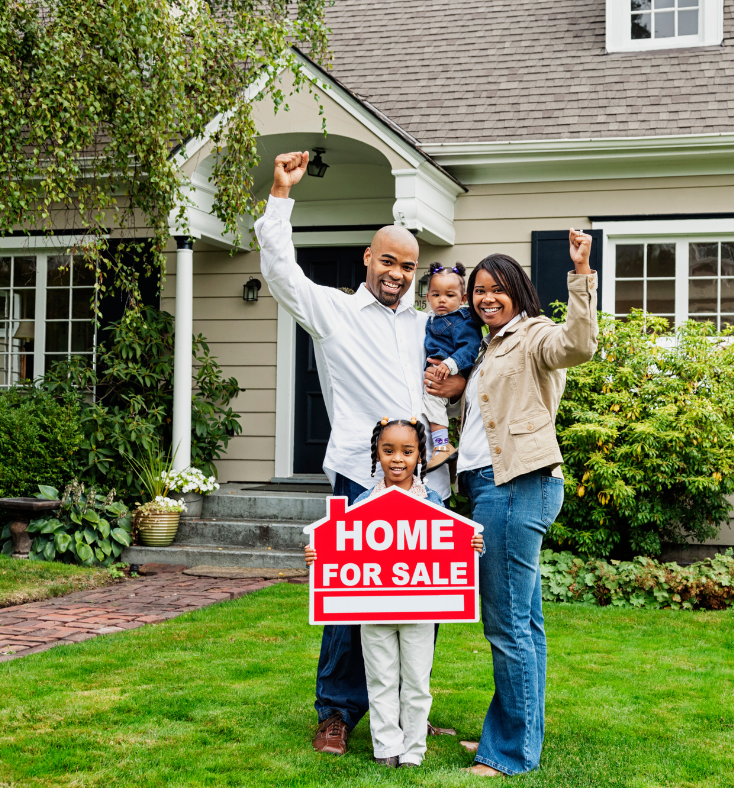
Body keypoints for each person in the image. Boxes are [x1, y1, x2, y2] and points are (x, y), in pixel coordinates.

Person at [255, 151, 467, 757]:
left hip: (426, 481)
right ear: (368, 259)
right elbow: (279, 273)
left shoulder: (427, 323)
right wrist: (280, 195)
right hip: (360, 476)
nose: (398, 273)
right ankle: (336, 713)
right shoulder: (335, 312)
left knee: (420, 603)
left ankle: (404, 716)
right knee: (352, 603)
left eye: (409, 265)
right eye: (389, 261)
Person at [457, 230, 597, 777]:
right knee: (524, 623)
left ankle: (511, 752)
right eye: (479, 290)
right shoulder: (490, 344)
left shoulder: (535, 334)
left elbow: (578, 346)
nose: (487, 298)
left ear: (518, 290)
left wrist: (581, 275)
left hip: (517, 484)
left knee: (507, 624)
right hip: (490, 485)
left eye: (497, 289)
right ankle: (517, 733)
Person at [304, 417, 484, 768]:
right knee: (381, 679)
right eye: (388, 451)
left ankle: (413, 750)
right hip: (375, 610)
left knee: (416, 682)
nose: (397, 459)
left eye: (407, 451)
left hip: (420, 611)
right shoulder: (361, 505)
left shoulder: (432, 502)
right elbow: (341, 545)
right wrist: (319, 554)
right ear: (377, 454)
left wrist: (472, 546)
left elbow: (450, 545)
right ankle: (386, 747)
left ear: (420, 456)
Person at [421, 262, 481, 470]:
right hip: (438, 372)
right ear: (428, 297)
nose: (442, 300)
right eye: (436, 295)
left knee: (432, 400)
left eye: (450, 295)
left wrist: (450, 364)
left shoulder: (462, 320)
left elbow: (470, 347)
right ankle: (441, 445)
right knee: (430, 402)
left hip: (450, 370)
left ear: (463, 299)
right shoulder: (429, 319)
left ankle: (441, 446)